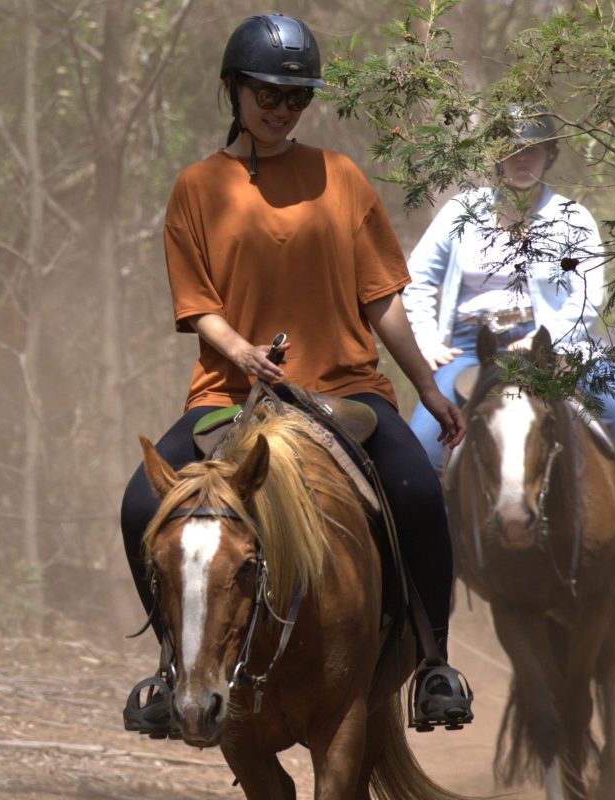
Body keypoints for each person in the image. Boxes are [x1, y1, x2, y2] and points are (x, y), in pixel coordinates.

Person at [120, 12, 472, 737]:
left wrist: (427, 388)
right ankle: (171, 666)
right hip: (231, 396)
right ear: (234, 89)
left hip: (346, 391)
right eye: (267, 94)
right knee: (136, 506)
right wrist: (243, 352)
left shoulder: (341, 177)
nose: (281, 110)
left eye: (296, 98)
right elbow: (197, 306)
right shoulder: (196, 187)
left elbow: (382, 298)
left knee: (417, 492)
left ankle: (435, 662)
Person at [403, 104, 615, 588]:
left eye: (535, 150)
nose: (523, 160)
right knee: (419, 443)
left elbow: (586, 297)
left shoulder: (571, 218)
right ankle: (433, 558)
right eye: (513, 150)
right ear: (496, 156)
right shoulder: (461, 212)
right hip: (470, 349)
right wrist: (426, 339)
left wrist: (543, 341)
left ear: (550, 154)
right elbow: (415, 280)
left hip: (555, 346)